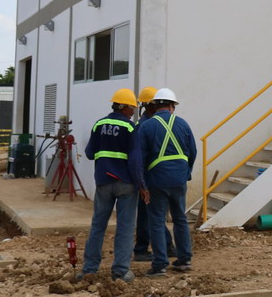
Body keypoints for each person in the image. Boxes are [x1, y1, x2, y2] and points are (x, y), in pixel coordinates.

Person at [78, 87, 143, 282]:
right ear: (123, 107)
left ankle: (89, 269)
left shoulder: (99, 124)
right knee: (125, 227)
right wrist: (141, 184)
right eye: (131, 108)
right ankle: (121, 271)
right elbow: (135, 160)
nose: (132, 112)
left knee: (98, 226)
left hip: (104, 182)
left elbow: (90, 153)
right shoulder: (130, 128)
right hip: (126, 185)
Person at [136, 87, 196, 275]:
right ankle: (184, 260)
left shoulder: (146, 126)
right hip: (179, 179)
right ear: (172, 107)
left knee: (156, 220)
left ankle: (160, 265)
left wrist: (142, 184)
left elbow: (139, 159)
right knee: (180, 218)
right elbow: (192, 152)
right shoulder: (183, 124)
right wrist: (186, 173)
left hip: (156, 180)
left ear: (155, 106)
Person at [132, 85, 175, 262]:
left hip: (152, 176)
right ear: (150, 106)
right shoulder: (145, 126)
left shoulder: (147, 124)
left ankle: (158, 246)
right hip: (148, 177)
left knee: (152, 214)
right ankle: (144, 249)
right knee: (148, 215)